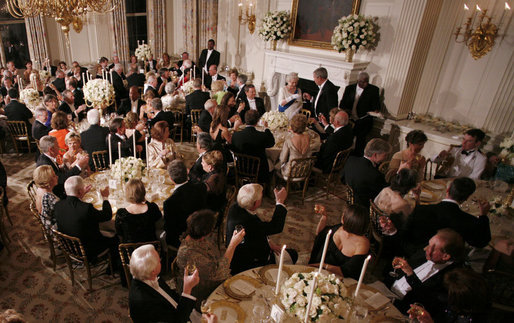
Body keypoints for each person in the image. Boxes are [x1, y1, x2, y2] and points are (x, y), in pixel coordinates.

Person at [402, 177, 491, 256]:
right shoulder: (469, 221)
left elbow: (407, 230)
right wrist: (483, 215)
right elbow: (481, 242)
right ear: (466, 198)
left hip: (413, 252)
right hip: (444, 259)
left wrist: (417, 199)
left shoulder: (421, 209)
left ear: (447, 190)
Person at [386, 229, 465, 315]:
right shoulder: (428, 251)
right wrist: (392, 231)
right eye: (429, 244)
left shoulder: (451, 279)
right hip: (387, 290)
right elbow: (408, 249)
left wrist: (410, 274)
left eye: (432, 248)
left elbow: (427, 299)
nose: (426, 248)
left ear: (445, 256)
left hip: (400, 309)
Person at [176, 210, 244, 304]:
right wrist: (233, 244)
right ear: (206, 233)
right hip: (201, 290)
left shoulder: (197, 237)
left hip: (213, 274)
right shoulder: (190, 253)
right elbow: (218, 273)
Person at [226, 184, 295, 274]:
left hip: (245, 251)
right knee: (293, 255)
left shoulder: (235, 207)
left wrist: (269, 242)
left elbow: (257, 230)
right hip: (250, 264)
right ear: (256, 203)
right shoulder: (249, 222)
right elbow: (275, 227)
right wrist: (280, 201)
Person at [129, 244, 199, 323]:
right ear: (153, 271)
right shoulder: (145, 303)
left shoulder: (146, 274)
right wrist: (187, 290)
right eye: (159, 261)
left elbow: (171, 296)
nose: (160, 261)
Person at [54, 176, 117, 261]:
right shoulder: (86, 208)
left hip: (69, 247)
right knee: (116, 237)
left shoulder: (58, 205)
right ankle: (114, 266)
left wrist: (81, 194)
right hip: (88, 250)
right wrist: (105, 197)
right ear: (79, 191)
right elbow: (107, 216)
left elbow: (74, 207)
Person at [309, 204, 370, 279]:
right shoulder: (340, 228)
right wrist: (324, 217)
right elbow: (320, 234)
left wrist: (324, 265)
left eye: (344, 215)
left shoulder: (363, 244)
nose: (342, 215)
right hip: (319, 270)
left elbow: (349, 271)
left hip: (341, 278)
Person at [164, 160, 207, 248]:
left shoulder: (170, 203)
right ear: (187, 172)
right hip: (200, 227)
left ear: (171, 179)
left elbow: (169, 230)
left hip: (182, 238)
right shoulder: (201, 187)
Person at [339, 72, 380, 156]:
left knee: (360, 142)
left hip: (363, 120)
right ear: (358, 80)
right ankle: (344, 155)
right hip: (349, 119)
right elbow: (342, 104)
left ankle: (356, 157)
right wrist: (347, 111)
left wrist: (376, 110)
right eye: (362, 82)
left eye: (367, 81)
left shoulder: (373, 90)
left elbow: (376, 106)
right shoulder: (349, 88)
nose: (365, 84)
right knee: (346, 138)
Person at [342, 138, 391, 208]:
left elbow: (342, 179)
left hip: (350, 200)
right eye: (385, 155)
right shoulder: (375, 175)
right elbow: (386, 193)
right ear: (375, 155)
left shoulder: (350, 160)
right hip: (365, 207)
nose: (385, 158)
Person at [231, 110, 275, 183]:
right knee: (273, 162)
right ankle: (268, 187)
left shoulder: (236, 135)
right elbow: (271, 143)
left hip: (241, 168)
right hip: (259, 170)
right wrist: (266, 128)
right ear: (257, 121)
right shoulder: (261, 136)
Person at [115, 179, 162, 243]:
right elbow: (159, 227)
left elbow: (120, 236)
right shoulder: (152, 207)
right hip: (151, 249)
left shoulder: (121, 213)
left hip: (131, 251)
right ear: (143, 191)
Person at [33, 165, 59, 232]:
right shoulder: (48, 197)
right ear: (48, 181)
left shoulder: (39, 189)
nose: (57, 176)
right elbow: (63, 214)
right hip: (54, 230)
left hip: (47, 222)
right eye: (53, 176)